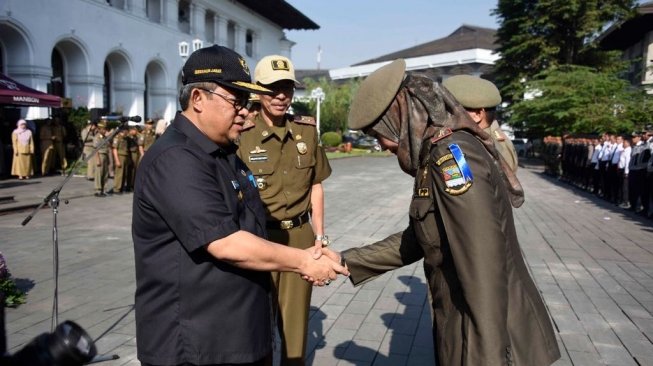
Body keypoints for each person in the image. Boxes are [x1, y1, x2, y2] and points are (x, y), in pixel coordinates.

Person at [322, 59, 560, 365]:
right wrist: (346, 260)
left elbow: (483, 270)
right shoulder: (435, 154)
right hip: (462, 323)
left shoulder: (451, 157)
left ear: (398, 120)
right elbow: (421, 238)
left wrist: (487, 358)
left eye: (377, 135)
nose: (382, 146)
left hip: (490, 339)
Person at [131, 45, 348, 366]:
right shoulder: (176, 159)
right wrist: (303, 261)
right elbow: (225, 242)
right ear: (197, 99)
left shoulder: (221, 152)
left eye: (246, 102)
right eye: (236, 101)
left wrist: (313, 244)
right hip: (197, 344)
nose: (245, 111)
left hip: (233, 334)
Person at [236, 54, 332, 366]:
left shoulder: (306, 131)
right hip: (258, 238)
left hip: (300, 236)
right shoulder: (241, 133)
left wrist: (320, 235)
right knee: (254, 323)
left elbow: (316, 184)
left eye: (287, 89)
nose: (281, 96)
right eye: (273, 89)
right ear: (258, 91)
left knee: (294, 328)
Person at [442, 74, 518, 173]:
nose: (444, 115)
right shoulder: (493, 135)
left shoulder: (474, 148)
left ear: (477, 114)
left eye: (450, 110)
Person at [93, 122, 110, 197]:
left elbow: (108, 146)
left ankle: (104, 189)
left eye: (105, 129)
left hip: (105, 155)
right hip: (100, 155)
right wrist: (97, 160)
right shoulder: (97, 137)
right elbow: (95, 149)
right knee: (99, 174)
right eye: (103, 129)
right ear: (99, 129)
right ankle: (98, 190)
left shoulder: (105, 137)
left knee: (105, 174)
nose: (105, 130)